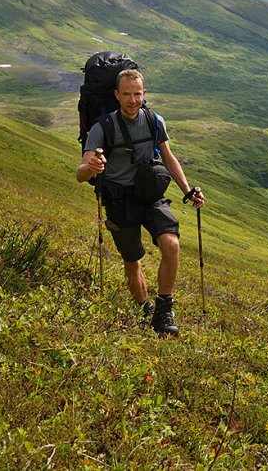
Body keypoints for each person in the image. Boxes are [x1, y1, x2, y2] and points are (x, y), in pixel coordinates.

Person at [76, 68, 205, 337]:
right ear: (117, 95)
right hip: (119, 200)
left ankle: (164, 307)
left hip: (149, 195)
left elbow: (168, 158)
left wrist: (188, 190)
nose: (133, 100)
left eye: (137, 94)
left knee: (171, 245)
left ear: (144, 94)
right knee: (132, 259)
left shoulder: (155, 121)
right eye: (126, 94)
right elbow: (80, 173)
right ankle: (144, 307)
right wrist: (93, 167)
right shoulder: (103, 127)